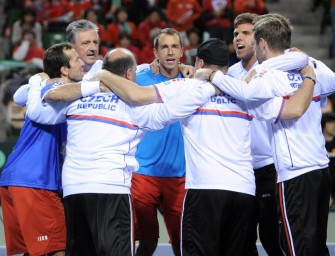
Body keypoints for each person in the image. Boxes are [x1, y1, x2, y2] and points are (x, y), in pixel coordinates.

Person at [92, 38, 316, 256]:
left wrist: (102, 73)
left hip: (204, 190)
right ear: (226, 67)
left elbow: (135, 94)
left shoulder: (186, 87)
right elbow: (294, 109)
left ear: (199, 63)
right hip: (243, 192)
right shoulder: (246, 93)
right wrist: (309, 78)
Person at [197, 16, 333, 255]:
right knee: (316, 247)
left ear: (261, 43)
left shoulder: (269, 76)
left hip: (295, 174)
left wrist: (212, 75)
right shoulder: (309, 68)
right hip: (321, 170)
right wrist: (306, 61)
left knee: (297, 249)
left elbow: (246, 92)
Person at [0, 42, 86, 256]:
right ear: (64, 70)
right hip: (34, 181)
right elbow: (37, 109)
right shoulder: (55, 91)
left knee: (33, 251)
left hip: (16, 179)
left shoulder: (46, 89)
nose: (82, 62)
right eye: (76, 59)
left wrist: (35, 81)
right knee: (58, 250)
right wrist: (37, 80)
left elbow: (20, 96)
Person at [131, 27, 186, 256]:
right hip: (143, 174)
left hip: (179, 175)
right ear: (155, 52)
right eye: (164, 47)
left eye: (174, 46)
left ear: (182, 51)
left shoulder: (191, 79)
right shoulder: (140, 79)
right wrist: (143, 66)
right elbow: (112, 73)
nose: (170, 52)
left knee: (182, 244)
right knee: (147, 242)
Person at [322, 112, 335, 207]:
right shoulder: (318, 143)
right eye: (330, 123)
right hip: (324, 182)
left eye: (334, 122)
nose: (333, 126)